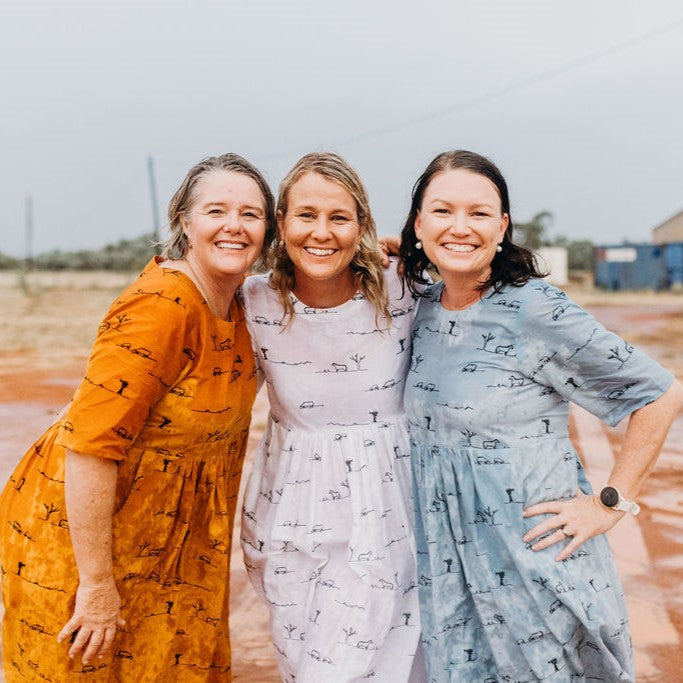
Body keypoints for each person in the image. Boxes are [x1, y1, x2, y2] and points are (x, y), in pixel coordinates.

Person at [398, 149, 682, 682]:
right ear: (417, 223)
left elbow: (659, 395)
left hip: (532, 570)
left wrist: (610, 503)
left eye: (479, 213)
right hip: (450, 574)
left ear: (503, 226)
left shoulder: (535, 310)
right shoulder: (423, 307)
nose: (461, 226)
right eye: (441, 211)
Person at [0, 153, 276, 680]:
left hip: (175, 544)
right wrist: (97, 586)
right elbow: (90, 448)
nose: (234, 226)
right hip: (88, 543)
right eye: (216, 210)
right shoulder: (160, 307)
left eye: (252, 214)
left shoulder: (239, 303)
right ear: (183, 221)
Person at [240, 152, 425, 681]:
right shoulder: (253, 302)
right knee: (309, 665)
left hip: (392, 507)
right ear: (281, 224)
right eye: (306, 215)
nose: (322, 232)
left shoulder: (404, 290)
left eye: (340, 218)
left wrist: (408, 250)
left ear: (362, 226)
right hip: (292, 508)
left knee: (390, 665)